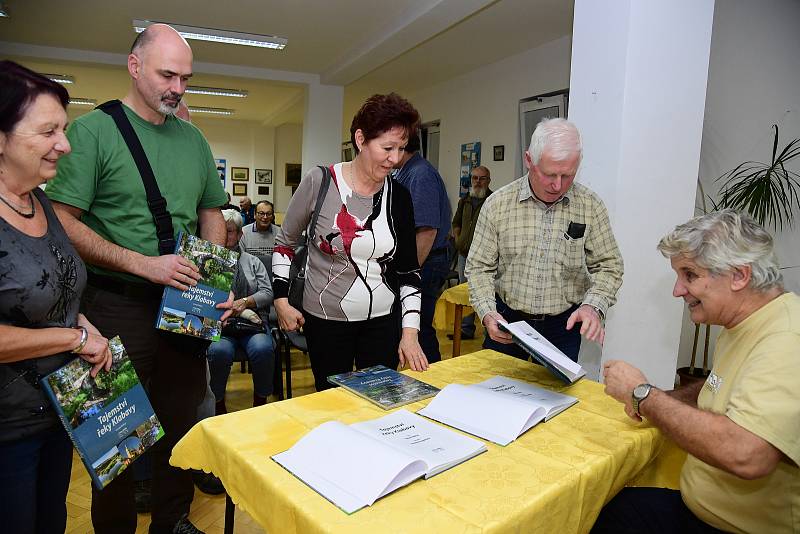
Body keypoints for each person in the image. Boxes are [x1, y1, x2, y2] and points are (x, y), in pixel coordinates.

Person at [45, 24, 228, 534]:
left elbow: (212, 209)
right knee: (116, 438)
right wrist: (142, 263)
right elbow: (60, 220)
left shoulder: (192, 138)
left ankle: (172, 522)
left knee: (180, 424)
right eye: (167, 74)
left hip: (186, 303)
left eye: (186, 78)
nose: (178, 88)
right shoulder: (92, 132)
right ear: (134, 66)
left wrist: (213, 275)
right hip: (114, 304)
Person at [595, 210, 799, 534]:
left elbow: (748, 454)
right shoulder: (745, 322)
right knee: (597, 508)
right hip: (698, 509)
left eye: (689, 275)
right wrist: (663, 398)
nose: (678, 290)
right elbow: (718, 386)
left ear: (738, 276)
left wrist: (643, 395)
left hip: (733, 528)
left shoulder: (787, 340)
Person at [0, 60, 113, 534]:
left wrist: (84, 323)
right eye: (49, 131)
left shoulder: (39, 199)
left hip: (61, 411)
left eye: (63, 130)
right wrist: (72, 339)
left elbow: (57, 292)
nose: (64, 145)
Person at [273, 92, 428, 392]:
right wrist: (280, 300)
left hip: (383, 323)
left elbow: (409, 271)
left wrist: (410, 333)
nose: (395, 159)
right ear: (360, 139)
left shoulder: (400, 198)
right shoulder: (320, 182)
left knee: (378, 404)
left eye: (401, 149)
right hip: (327, 322)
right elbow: (284, 242)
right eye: (387, 148)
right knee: (333, 405)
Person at [466, 117, 623, 362]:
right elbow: (478, 268)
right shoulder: (497, 204)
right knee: (500, 395)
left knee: (558, 399)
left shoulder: (590, 206)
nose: (558, 185)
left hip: (563, 327)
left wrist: (593, 306)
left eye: (568, 175)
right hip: (507, 321)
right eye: (550, 174)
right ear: (529, 160)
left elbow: (609, 266)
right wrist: (487, 313)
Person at [392, 131, 452, 363]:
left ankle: (432, 380)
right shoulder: (407, 171)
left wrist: (409, 274)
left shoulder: (420, 174)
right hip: (423, 261)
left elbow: (427, 231)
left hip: (427, 262)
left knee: (419, 327)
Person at [208, 209, 275, 414]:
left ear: (239, 234)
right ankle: (218, 405)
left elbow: (267, 293)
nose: (224, 236)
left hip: (251, 326)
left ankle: (260, 403)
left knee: (263, 349)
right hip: (220, 327)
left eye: (229, 231)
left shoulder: (252, 262)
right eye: (220, 231)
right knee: (218, 351)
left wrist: (244, 302)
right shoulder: (208, 261)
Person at [450, 165, 493, 339]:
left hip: (484, 258)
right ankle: (466, 329)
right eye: (475, 178)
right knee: (464, 292)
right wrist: (459, 239)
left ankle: (488, 334)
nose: (477, 182)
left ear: (488, 181)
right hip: (463, 255)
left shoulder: (493, 201)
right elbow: (456, 223)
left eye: (482, 178)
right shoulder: (465, 200)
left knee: (484, 292)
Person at [239, 199, 278, 275]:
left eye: (268, 214)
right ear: (254, 215)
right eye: (261, 213)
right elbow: (241, 261)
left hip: (273, 275)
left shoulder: (280, 234)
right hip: (249, 274)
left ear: (273, 216)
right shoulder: (243, 233)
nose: (265, 217)